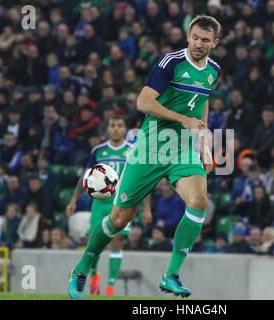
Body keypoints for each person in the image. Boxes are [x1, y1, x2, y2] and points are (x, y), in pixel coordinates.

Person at [68, 15, 221, 299]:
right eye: (195, 37)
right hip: (150, 146)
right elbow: (143, 102)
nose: (199, 44)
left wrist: (205, 143)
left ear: (215, 43)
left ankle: (171, 275)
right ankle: (82, 266)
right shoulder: (170, 62)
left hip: (182, 147)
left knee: (199, 200)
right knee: (119, 219)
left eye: (205, 40)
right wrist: (182, 119)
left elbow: (202, 102)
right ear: (188, 35)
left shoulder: (213, 69)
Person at [65, 116, 153, 296]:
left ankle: (110, 286)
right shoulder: (98, 150)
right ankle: (94, 278)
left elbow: (142, 180)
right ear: (108, 129)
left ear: (125, 129)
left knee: (117, 241)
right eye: (112, 125)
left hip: (123, 203)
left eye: (120, 125)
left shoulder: (132, 151)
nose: (116, 129)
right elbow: (85, 176)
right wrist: (73, 200)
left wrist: (147, 208)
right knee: (93, 240)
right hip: (100, 203)